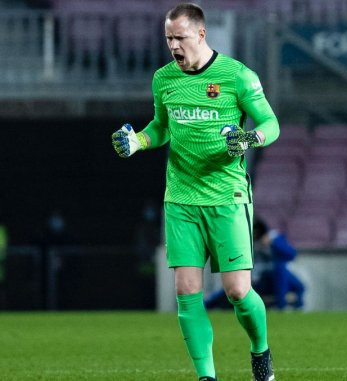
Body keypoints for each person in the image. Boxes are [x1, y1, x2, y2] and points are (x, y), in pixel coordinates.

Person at [111, 4, 279, 380]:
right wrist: (139, 141)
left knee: (237, 292)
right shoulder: (164, 79)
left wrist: (252, 137)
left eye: (180, 37)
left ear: (201, 35)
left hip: (227, 197)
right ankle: (207, 376)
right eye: (168, 38)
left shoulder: (237, 76)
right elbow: (161, 126)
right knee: (187, 291)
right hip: (181, 199)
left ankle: (260, 353)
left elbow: (271, 122)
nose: (173, 45)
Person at [253, 217, 305, 310]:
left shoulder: (275, 238)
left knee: (300, 287)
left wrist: (273, 243)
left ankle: (297, 309)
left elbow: (291, 254)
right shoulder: (251, 244)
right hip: (262, 278)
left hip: (279, 274)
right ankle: (281, 306)